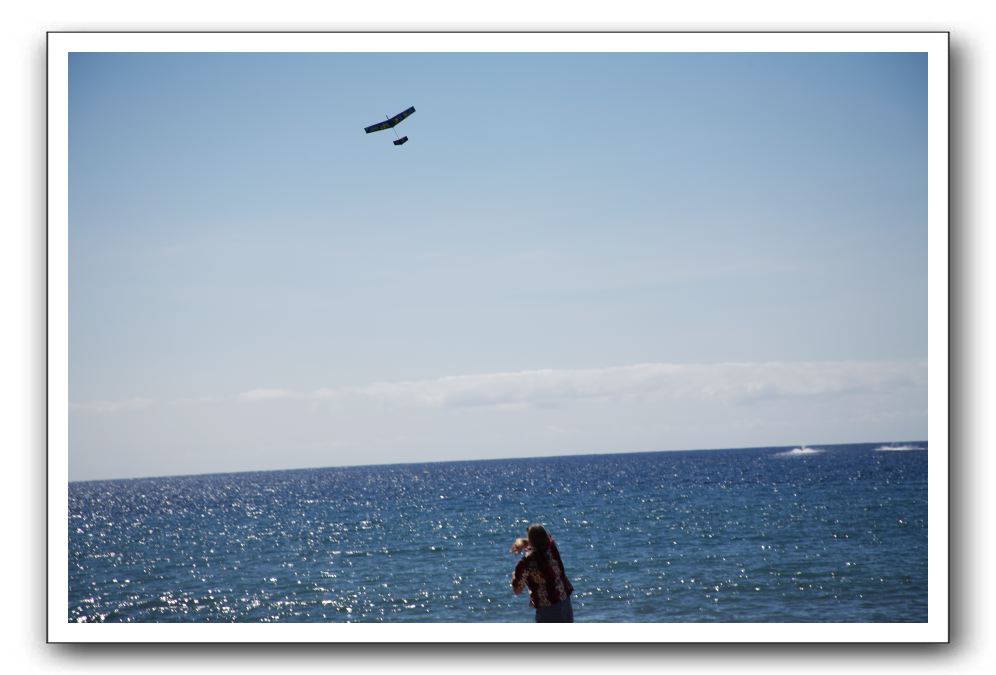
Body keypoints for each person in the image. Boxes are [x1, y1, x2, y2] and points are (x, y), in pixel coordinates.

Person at [510, 523, 574, 622]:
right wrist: (523, 542)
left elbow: (517, 590)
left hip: (547, 610)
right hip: (565, 603)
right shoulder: (552, 547)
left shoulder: (527, 563)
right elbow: (541, 542)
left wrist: (514, 574)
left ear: (531, 540)